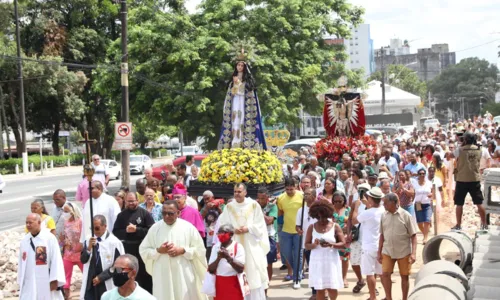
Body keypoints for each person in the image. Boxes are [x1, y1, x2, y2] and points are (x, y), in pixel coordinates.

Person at [139, 201, 208, 300]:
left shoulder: (188, 228)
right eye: (164, 213)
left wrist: (183, 250)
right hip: (162, 274)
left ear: (178, 213)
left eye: (170, 213)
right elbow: (144, 250)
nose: (167, 216)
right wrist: (158, 251)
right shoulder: (155, 229)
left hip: (183, 274)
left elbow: (200, 250)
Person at [216, 183, 270, 299]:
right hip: (234, 242)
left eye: (239, 192)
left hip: (250, 243)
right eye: (235, 191)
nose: (237, 194)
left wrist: (248, 228)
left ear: (245, 192)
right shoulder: (229, 207)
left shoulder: (254, 205)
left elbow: (260, 224)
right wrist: (233, 230)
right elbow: (223, 224)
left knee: (252, 272)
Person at [217, 58, 267, 150]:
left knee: (243, 120)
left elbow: (248, 93)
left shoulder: (247, 81)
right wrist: (235, 85)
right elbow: (231, 94)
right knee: (234, 121)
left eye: (242, 66)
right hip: (235, 103)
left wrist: (239, 84)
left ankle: (244, 143)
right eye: (238, 65)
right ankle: (235, 142)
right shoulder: (232, 81)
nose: (240, 67)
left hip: (244, 105)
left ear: (244, 67)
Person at [378, 193, 418, 300]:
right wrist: (379, 252)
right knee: (385, 274)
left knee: (404, 276)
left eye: (386, 203)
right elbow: (382, 235)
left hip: (403, 251)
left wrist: (413, 253)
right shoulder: (384, 215)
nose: (384, 205)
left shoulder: (406, 216)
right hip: (387, 251)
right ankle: (389, 298)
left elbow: (413, 236)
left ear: (394, 203)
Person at [113, 192, 155, 293]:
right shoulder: (121, 215)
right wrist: (126, 231)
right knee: (129, 273)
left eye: (133, 201)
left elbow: (152, 230)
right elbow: (116, 232)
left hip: (142, 248)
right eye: (128, 201)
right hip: (128, 248)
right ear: (125, 201)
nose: (131, 203)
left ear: (137, 200)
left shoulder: (144, 213)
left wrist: (137, 230)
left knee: (144, 275)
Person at [18, 213, 66, 300]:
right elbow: (21, 262)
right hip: (29, 281)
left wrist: (55, 279)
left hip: (46, 279)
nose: (28, 225)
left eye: (31, 222)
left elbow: (56, 260)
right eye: (26, 223)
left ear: (39, 222)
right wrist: (21, 280)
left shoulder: (49, 238)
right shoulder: (24, 241)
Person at [305, 200, 346, 300]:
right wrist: (314, 245)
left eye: (323, 217)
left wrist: (331, 244)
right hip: (317, 261)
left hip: (331, 261)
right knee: (320, 289)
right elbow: (306, 245)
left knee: (332, 287)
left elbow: (343, 243)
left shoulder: (335, 226)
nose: (321, 220)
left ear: (328, 214)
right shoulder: (312, 227)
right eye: (319, 217)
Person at [352, 187, 385, 300]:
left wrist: (356, 206)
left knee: (370, 273)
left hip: (369, 246)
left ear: (371, 198)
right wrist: (369, 203)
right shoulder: (383, 210)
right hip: (380, 246)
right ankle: (388, 296)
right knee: (381, 273)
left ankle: (372, 297)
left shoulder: (368, 213)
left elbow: (354, 220)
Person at [81, 215, 125, 300]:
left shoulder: (114, 243)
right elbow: (83, 260)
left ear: (105, 226)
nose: (94, 231)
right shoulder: (89, 239)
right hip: (90, 280)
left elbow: (119, 267)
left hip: (105, 281)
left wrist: (101, 277)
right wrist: (89, 248)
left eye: (97, 228)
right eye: (92, 228)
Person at [452, 132, 487, 230]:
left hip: (461, 179)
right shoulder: (480, 149)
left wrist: (461, 145)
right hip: (474, 179)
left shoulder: (459, 150)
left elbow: (450, 156)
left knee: (459, 203)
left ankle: (458, 225)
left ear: (465, 139)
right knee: (479, 202)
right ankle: (484, 224)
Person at [277, 178, 304, 287]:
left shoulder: (302, 196)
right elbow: (280, 213)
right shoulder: (280, 198)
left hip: (299, 231)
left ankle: (296, 278)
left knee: (298, 254)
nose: (289, 191)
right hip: (286, 230)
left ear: (296, 187)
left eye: (291, 189)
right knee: (287, 254)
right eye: (287, 189)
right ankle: (296, 271)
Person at [208, 224, 246, 300]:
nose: (220, 235)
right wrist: (218, 258)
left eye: (223, 233)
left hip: (234, 283)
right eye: (218, 233)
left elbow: (240, 269)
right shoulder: (216, 247)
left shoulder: (238, 247)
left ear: (231, 234)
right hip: (219, 283)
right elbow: (210, 269)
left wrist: (228, 257)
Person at [80, 181, 121, 245]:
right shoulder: (88, 202)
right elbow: (84, 221)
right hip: (90, 240)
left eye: (92, 188)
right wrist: (82, 240)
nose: (89, 191)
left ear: (99, 188)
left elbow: (116, 219)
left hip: (106, 239)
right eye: (89, 189)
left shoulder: (110, 200)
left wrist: (114, 237)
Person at [296, 187, 318, 300]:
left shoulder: (320, 209)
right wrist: (298, 230)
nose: (305, 196)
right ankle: (315, 292)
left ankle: (323, 291)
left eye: (308, 194)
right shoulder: (301, 210)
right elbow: (297, 226)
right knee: (312, 269)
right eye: (304, 194)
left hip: (319, 244)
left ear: (314, 196)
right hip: (307, 244)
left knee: (320, 269)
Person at [348, 182, 370, 295]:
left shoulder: (373, 204)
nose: (362, 193)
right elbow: (350, 218)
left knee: (371, 263)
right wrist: (348, 232)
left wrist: (368, 203)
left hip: (369, 237)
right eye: (360, 190)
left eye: (365, 190)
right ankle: (360, 280)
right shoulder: (355, 203)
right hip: (357, 236)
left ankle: (372, 285)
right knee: (355, 261)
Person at [60, 203, 83, 299]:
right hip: (68, 253)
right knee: (66, 275)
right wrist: (62, 242)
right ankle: (66, 295)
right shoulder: (66, 223)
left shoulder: (80, 222)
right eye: (64, 211)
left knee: (86, 273)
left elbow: (84, 236)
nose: (65, 213)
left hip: (79, 253)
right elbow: (64, 237)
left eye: (67, 211)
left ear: (73, 211)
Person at [257, 187, 278, 290]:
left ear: (267, 198)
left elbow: (269, 221)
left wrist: (260, 211)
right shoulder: (254, 206)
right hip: (257, 237)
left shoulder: (272, 207)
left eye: (263, 198)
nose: (261, 201)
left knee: (268, 263)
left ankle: (266, 286)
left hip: (269, 237)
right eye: (259, 198)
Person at [331, 191, 351, 288]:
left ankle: (344, 277)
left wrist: (348, 233)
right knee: (333, 258)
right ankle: (334, 278)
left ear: (344, 201)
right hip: (332, 237)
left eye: (340, 201)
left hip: (345, 237)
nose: (338, 203)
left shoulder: (348, 210)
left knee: (345, 258)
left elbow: (352, 223)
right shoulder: (330, 210)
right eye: (336, 201)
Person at [200, 190, 225, 260]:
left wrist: (219, 209)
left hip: (220, 234)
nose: (206, 201)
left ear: (213, 197)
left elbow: (226, 217)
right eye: (204, 199)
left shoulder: (221, 204)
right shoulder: (204, 207)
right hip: (209, 236)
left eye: (208, 198)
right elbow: (200, 219)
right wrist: (206, 209)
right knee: (209, 256)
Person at [412, 169, 434, 244]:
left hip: (427, 204)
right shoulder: (415, 184)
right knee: (419, 222)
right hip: (418, 204)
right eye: (420, 174)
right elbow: (413, 193)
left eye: (423, 174)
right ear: (418, 175)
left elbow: (433, 191)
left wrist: (431, 194)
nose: (422, 175)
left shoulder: (429, 183)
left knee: (427, 220)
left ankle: (425, 238)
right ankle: (425, 233)